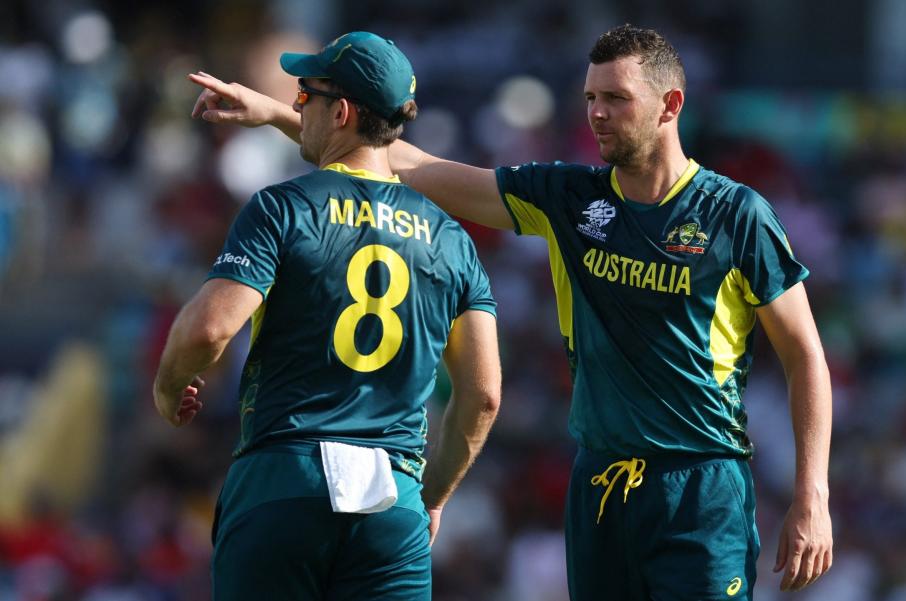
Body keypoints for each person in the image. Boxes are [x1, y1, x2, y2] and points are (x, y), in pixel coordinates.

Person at [189, 24, 832, 601]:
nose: (598, 114)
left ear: (671, 106)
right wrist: (277, 113)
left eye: (616, 100)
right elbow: (407, 163)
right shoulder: (570, 199)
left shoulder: (735, 215)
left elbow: (804, 353)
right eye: (590, 99)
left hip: (701, 484)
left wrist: (812, 493)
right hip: (600, 485)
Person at [156, 31, 501, 600]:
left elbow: (209, 328)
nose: (296, 107)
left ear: (340, 112)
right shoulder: (454, 240)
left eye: (305, 96)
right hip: (394, 504)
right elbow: (484, 393)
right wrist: (432, 498)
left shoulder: (281, 206)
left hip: (283, 481)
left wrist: (169, 388)